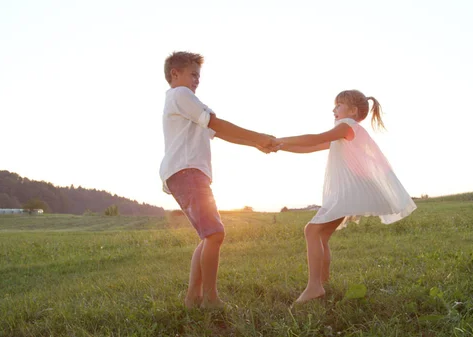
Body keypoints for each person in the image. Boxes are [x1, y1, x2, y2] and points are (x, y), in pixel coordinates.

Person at [159, 51, 279, 309]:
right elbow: (216, 123)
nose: (196, 80)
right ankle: (210, 299)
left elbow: (218, 131)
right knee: (215, 234)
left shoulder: (185, 102)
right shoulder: (181, 95)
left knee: (209, 236)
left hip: (188, 172)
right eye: (193, 74)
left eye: (198, 76)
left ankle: (193, 298)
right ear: (174, 74)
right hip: (186, 171)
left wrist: (254, 143)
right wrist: (258, 136)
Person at [277, 89, 417, 303]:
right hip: (350, 191)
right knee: (320, 235)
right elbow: (313, 146)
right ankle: (322, 282)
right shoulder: (346, 132)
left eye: (338, 105)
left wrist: (278, 139)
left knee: (312, 231)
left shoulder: (347, 126)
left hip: (348, 191)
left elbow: (316, 138)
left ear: (352, 110)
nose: (334, 109)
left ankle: (315, 286)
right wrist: (280, 147)